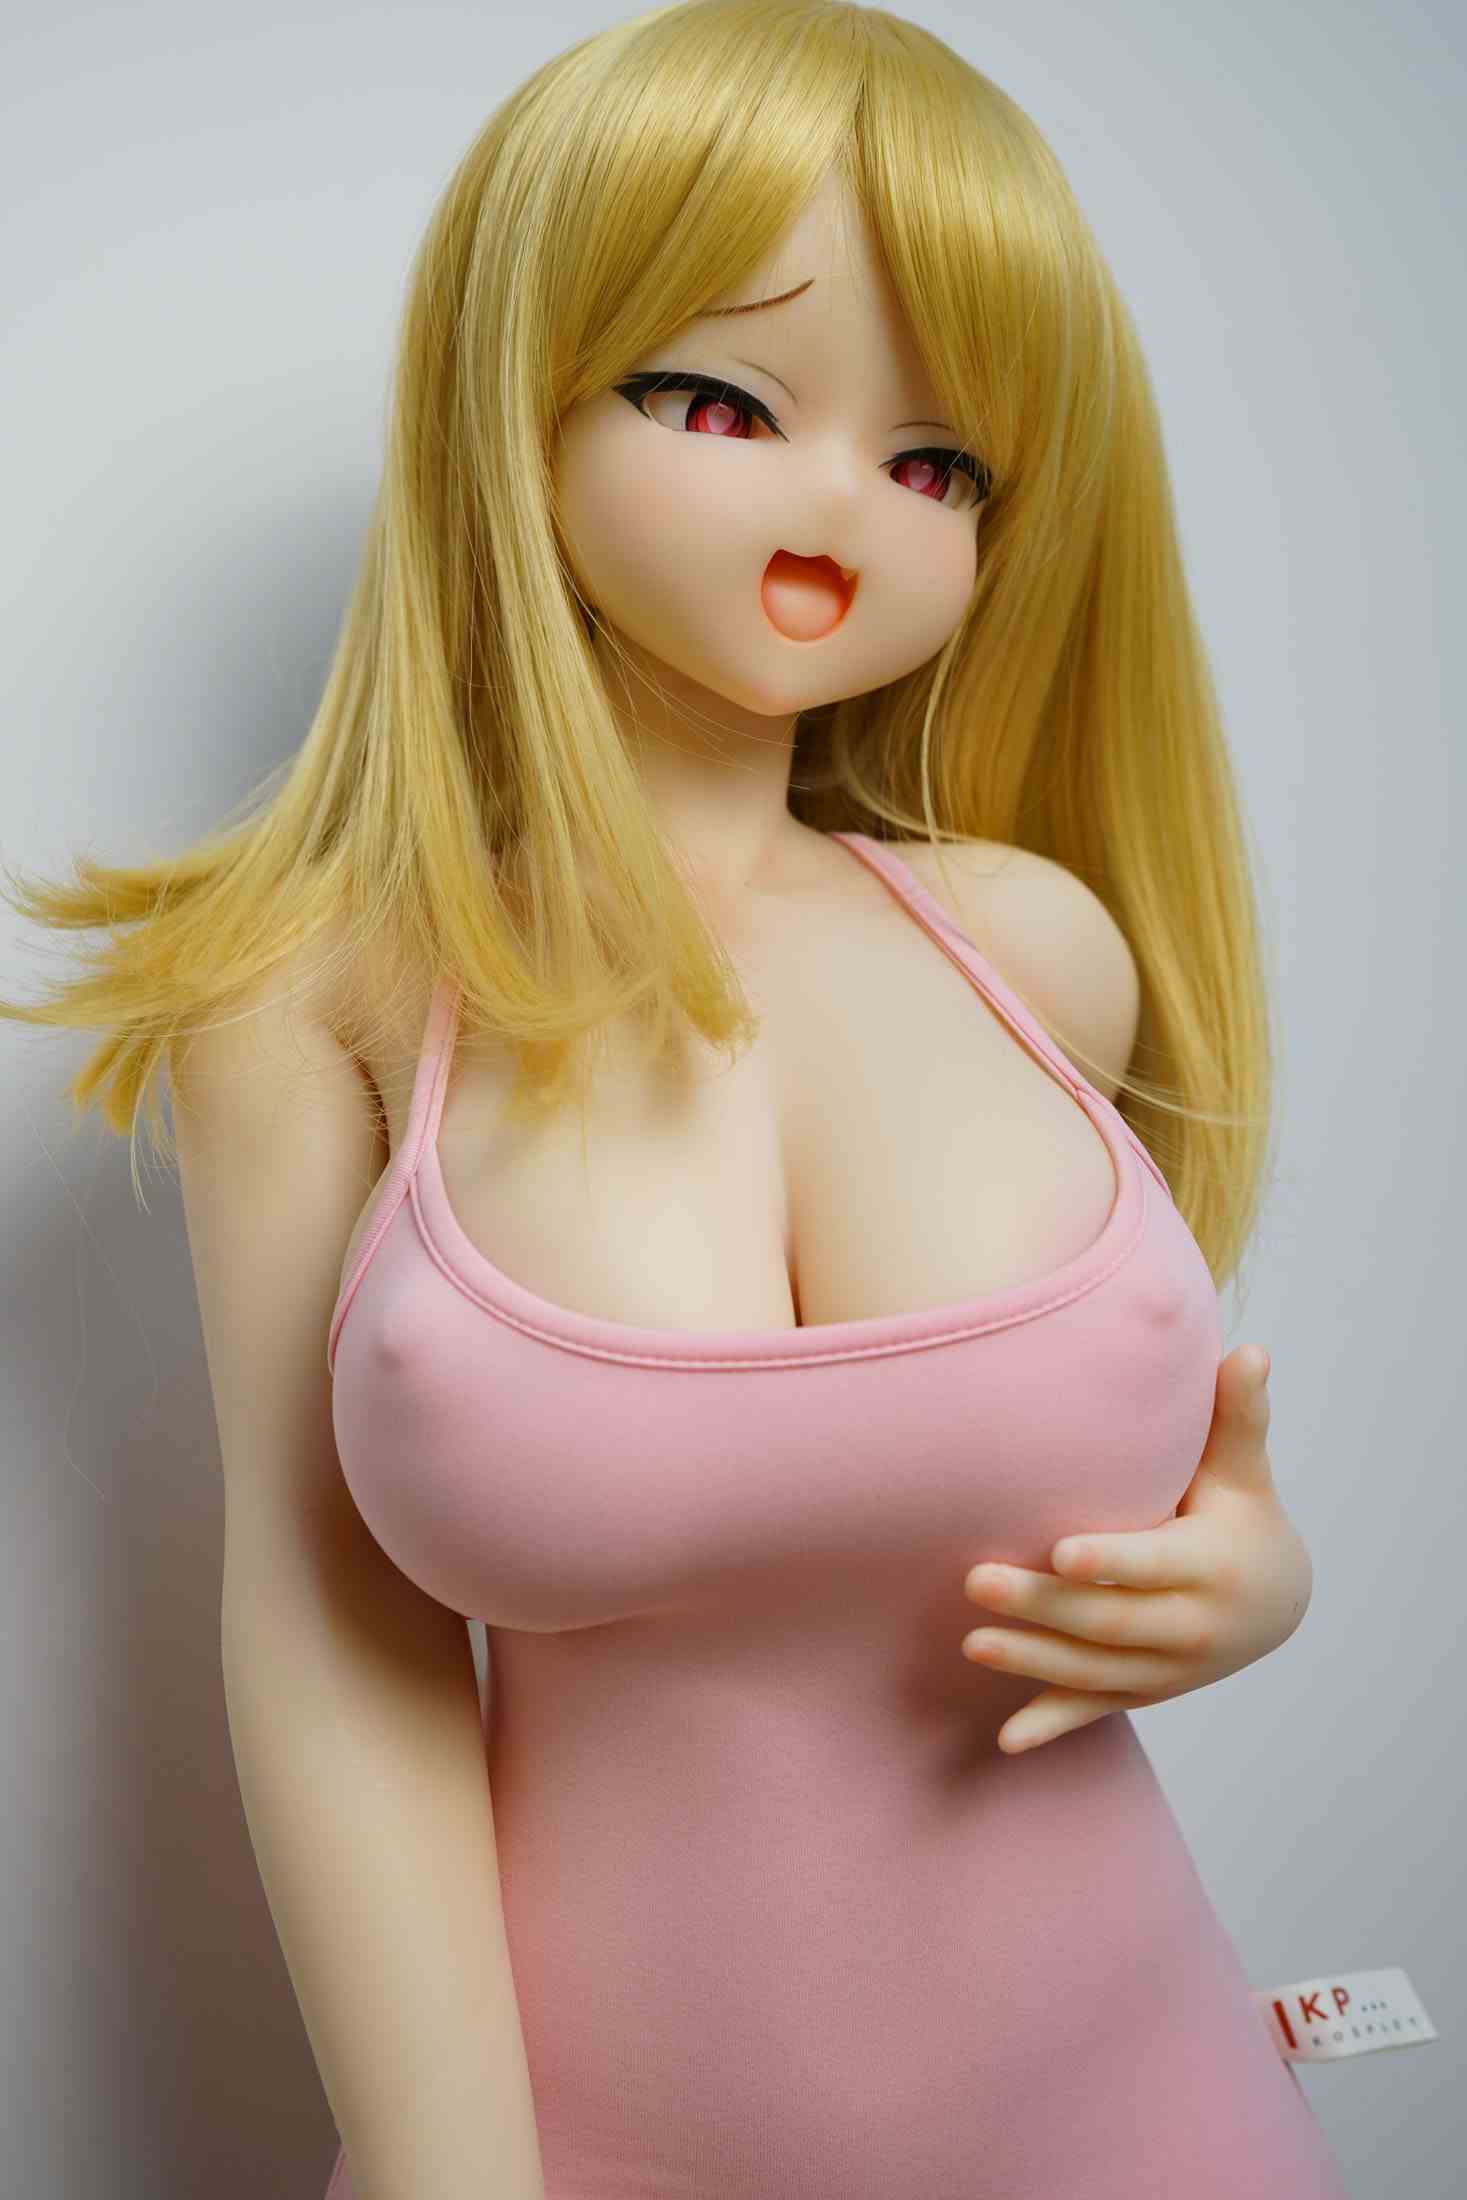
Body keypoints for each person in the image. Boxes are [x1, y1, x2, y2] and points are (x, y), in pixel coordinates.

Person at [1, 3, 1348, 2193]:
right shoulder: (317, 1002)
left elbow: (1114, 1466)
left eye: (938, 465)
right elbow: (332, 1645)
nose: (839, 507)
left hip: (1151, 2107)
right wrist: (444, 2166)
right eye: (722, 400)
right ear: (515, 398)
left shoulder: (1030, 948)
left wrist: (1247, 1572)